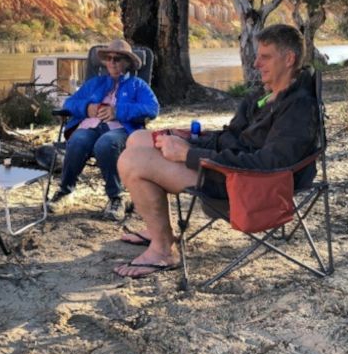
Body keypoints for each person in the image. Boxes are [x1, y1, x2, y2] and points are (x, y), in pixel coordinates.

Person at [114, 24, 318, 278]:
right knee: (139, 138)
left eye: (265, 57)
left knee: (132, 162)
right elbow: (230, 138)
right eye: (257, 56)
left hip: (250, 185)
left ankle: (163, 250)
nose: (256, 64)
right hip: (229, 168)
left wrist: (189, 155)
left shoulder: (299, 107)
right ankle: (159, 230)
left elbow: (269, 164)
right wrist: (190, 139)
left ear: (289, 59)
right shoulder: (262, 97)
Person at [48, 39, 159, 221]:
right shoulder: (95, 83)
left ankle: (117, 198)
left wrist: (118, 112)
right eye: (109, 58)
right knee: (77, 140)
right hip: (90, 126)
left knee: (106, 143)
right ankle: (65, 192)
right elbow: (69, 103)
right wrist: (87, 108)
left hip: (121, 129)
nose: (113, 62)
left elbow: (152, 109)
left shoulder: (138, 85)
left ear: (128, 63)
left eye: (118, 59)